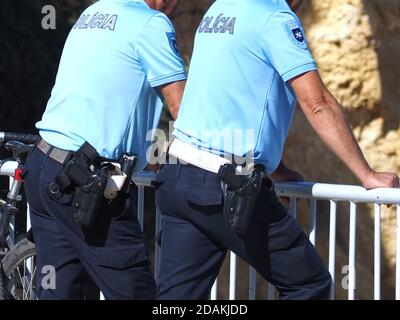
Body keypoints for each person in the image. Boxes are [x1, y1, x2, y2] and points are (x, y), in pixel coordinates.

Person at [155, 0, 400, 300]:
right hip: (225, 185)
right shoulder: (275, 17)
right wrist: (367, 174)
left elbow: (230, 103)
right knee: (308, 285)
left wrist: (276, 170)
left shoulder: (220, 9)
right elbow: (317, 103)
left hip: (179, 174)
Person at [23, 0, 186, 299]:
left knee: (60, 291)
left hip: (45, 165)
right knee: (135, 292)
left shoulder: (95, 11)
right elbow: (182, 109)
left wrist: (154, 149)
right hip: (86, 183)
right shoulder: (151, 24)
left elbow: (110, 91)